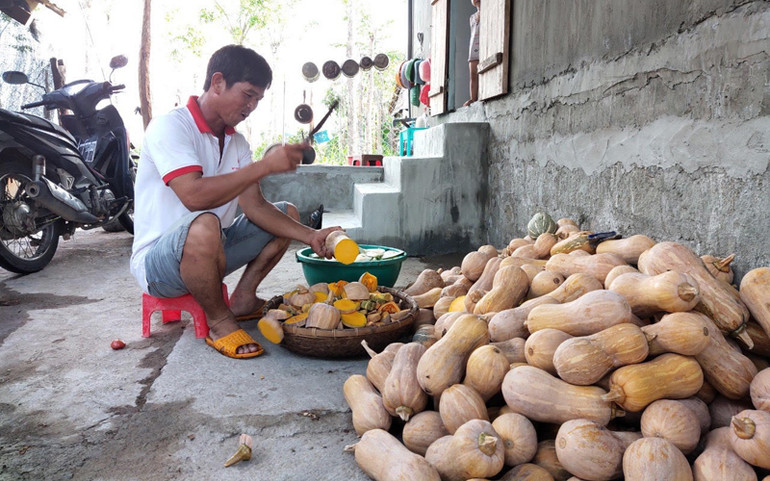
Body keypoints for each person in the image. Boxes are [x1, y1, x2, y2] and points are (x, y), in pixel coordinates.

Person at [129, 45, 341, 359]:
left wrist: (310, 236)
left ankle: (242, 299)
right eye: (247, 95)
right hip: (159, 265)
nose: (252, 106)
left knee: (286, 215)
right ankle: (218, 321)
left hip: (210, 251)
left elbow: (254, 207)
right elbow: (193, 196)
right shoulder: (170, 127)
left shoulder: (236, 142)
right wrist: (265, 166)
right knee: (204, 223)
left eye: (257, 99)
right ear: (217, 83)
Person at [464, 0, 481, 107]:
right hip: (474, 47)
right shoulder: (472, 18)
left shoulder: (488, 12)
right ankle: (473, 98)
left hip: (483, 46)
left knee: (482, 71)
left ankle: (481, 96)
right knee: (473, 76)